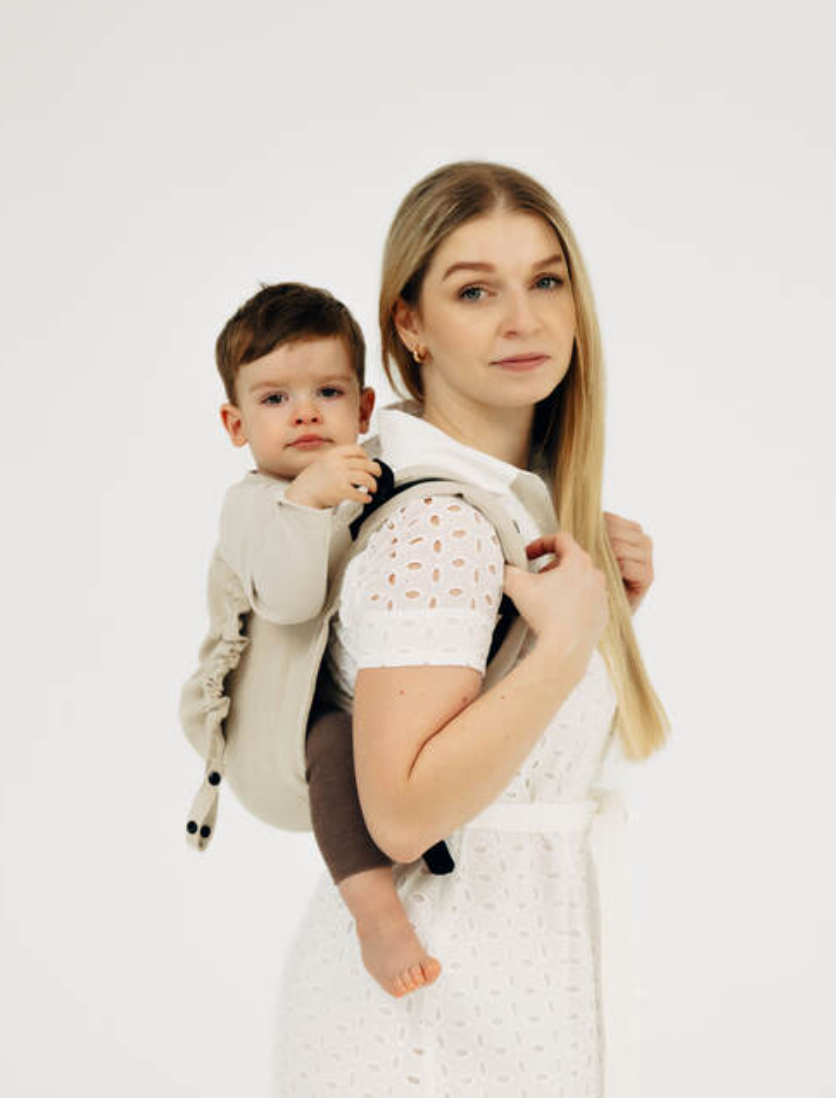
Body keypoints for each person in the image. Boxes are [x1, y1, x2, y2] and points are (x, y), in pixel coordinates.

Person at [269, 161, 669, 1098]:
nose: (522, 320)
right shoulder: (442, 524)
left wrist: (586, 632)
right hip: (436, 1032)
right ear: (410, 325)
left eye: (546, 281)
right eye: (475, 291)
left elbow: (495, 748)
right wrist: (563, 649)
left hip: (495, 1009)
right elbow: (403, 813)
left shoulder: (510, 509)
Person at [211, 280, 451, 998]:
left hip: (350, 691)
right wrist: (308, 499)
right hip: (275, 728)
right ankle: (375, 915)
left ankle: (427, 830)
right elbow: (290, 603)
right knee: (337, 739)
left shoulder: (360, 464)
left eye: (329, 392)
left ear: (364, 409)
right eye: (275, 398)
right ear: (235, 424)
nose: (306, 412)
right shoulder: (252, 506)